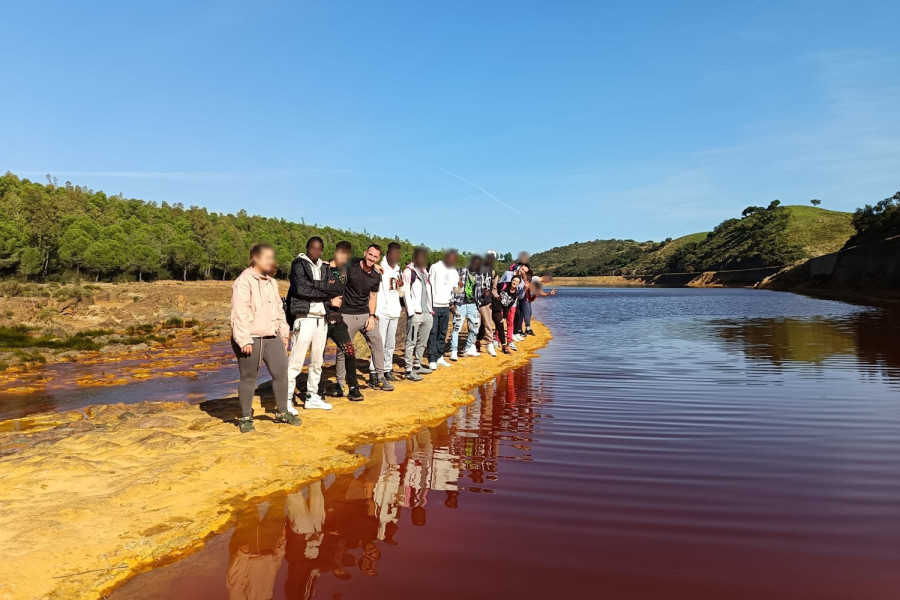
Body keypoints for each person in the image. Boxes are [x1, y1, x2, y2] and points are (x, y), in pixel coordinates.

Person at [230, 243, 301, 433]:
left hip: (271, 337)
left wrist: (284, 333)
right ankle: (245, 417)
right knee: (248, 378)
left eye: (272, 258)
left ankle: (282, 412)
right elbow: (240, 312)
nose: (272, 261)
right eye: (268, 258)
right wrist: (244, 339)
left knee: (281, 372)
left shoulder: (271, 281)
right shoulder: (244, 281)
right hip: (250, 338)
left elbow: (279, 309)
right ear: (256, 258)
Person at [285, 236, 344, 413]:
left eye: (319, 249)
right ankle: (286, 399)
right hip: (304, 317)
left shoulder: (324, 267)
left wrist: (317, 287)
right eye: (313, 248)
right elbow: (300, 289)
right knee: (296, 360)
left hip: (322, 319)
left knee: (317, 361)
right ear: (307, 248)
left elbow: (336, 288)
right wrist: (325, 293)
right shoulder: (298, 264)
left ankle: (312, 396)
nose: (315, 252)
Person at [336, 244, 395, 393]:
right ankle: (340, 383)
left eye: (375, 257)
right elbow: (338, 263)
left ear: (378, 259)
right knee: (344, 349)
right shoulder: (352, 267)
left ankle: (380, 378)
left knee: (377, 342)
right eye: (370, 255)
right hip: (347, 314)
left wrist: (372, 316)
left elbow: (372, 298)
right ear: (365, 253)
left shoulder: (376, 275)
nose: (372, 258)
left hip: (364, 315)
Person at [319, 241, 365, 402]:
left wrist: (378, 267)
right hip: (322, 320)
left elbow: (363, 261)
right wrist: (329, 302)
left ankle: (353, 388)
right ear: (335, 252)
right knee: (318, 356)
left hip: (337, 321)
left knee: (350, 352)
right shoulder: (322, 269)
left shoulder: (345, 269)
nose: (343, 257)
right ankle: (317, 390)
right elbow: (312, 292)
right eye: (341, 253)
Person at [369, 242, 403, 383]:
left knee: (390, 344)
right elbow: (374, 291)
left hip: (394, 312)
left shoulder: (398, 270)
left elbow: (400, 293)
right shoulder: (380, 269)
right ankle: (373, 371)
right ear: (388, 253)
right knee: (378, 344)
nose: (395, 256)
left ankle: (387, 369)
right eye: (393, 253)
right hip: (381, 312)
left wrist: (401, 287)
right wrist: (374, 312)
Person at [402, 246, 434, 381]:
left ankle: (417, 364)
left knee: (423, 341)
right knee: (411, 341)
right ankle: (408, 369)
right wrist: (411, 311)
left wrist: (431, 310)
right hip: (415, 312)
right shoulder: (409, 272)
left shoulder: (425, 273)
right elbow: (405, 292)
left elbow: (428, 293)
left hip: (427, 312)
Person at [427, 249, 458, 370]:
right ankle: (432, 358)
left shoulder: (454, 271)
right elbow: (429, 285)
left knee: (442, 332)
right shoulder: (435, 267)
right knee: (433, 332)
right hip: (434, 304)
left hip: (446, 305)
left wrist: (460, 287)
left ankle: (440, 356)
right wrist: (429, 305)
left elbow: (456, 290)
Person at [449, 254, 483, 360]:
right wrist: (452, 304)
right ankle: (453, 350)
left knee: (475, 327)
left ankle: (467, 348)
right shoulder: (460, 272)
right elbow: (452, 288)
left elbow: (479, 291)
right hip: (460, 304)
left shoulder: (479, 275)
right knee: (456, 327)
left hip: (473, 304)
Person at [498, 264, 529, 351]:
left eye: (525, 271)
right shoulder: (507, 274)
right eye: (522, 269)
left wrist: (524, 289)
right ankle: (497, 340)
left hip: (513, 304)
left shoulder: (522, 282)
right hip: (502, 303)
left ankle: (509, 341)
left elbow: (520, 297)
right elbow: (499, 285)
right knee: (500, 322)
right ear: (520, 267)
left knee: (510, 323)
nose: (522, 271)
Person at [475, 250, 499, 357]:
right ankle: (472, 344)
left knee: (488, 324)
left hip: (486, 302)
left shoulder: (494, 272)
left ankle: (489, 344)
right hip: (475, 301)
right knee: (474, 324)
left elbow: (494, 289)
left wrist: (497, 297)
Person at [491, 273, 521, 354]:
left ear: (518, 284)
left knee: (500, 325)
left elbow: (508, 307)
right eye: (514, 280)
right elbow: (493, 287)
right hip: (490, 306)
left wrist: (504, 317)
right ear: (511, 280)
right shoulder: (503, 285)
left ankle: (504, 346)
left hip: (497, 309)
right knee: (483, 326)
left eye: (517, 282)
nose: (515, 282)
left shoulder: (515, 294)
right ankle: (478, 343)